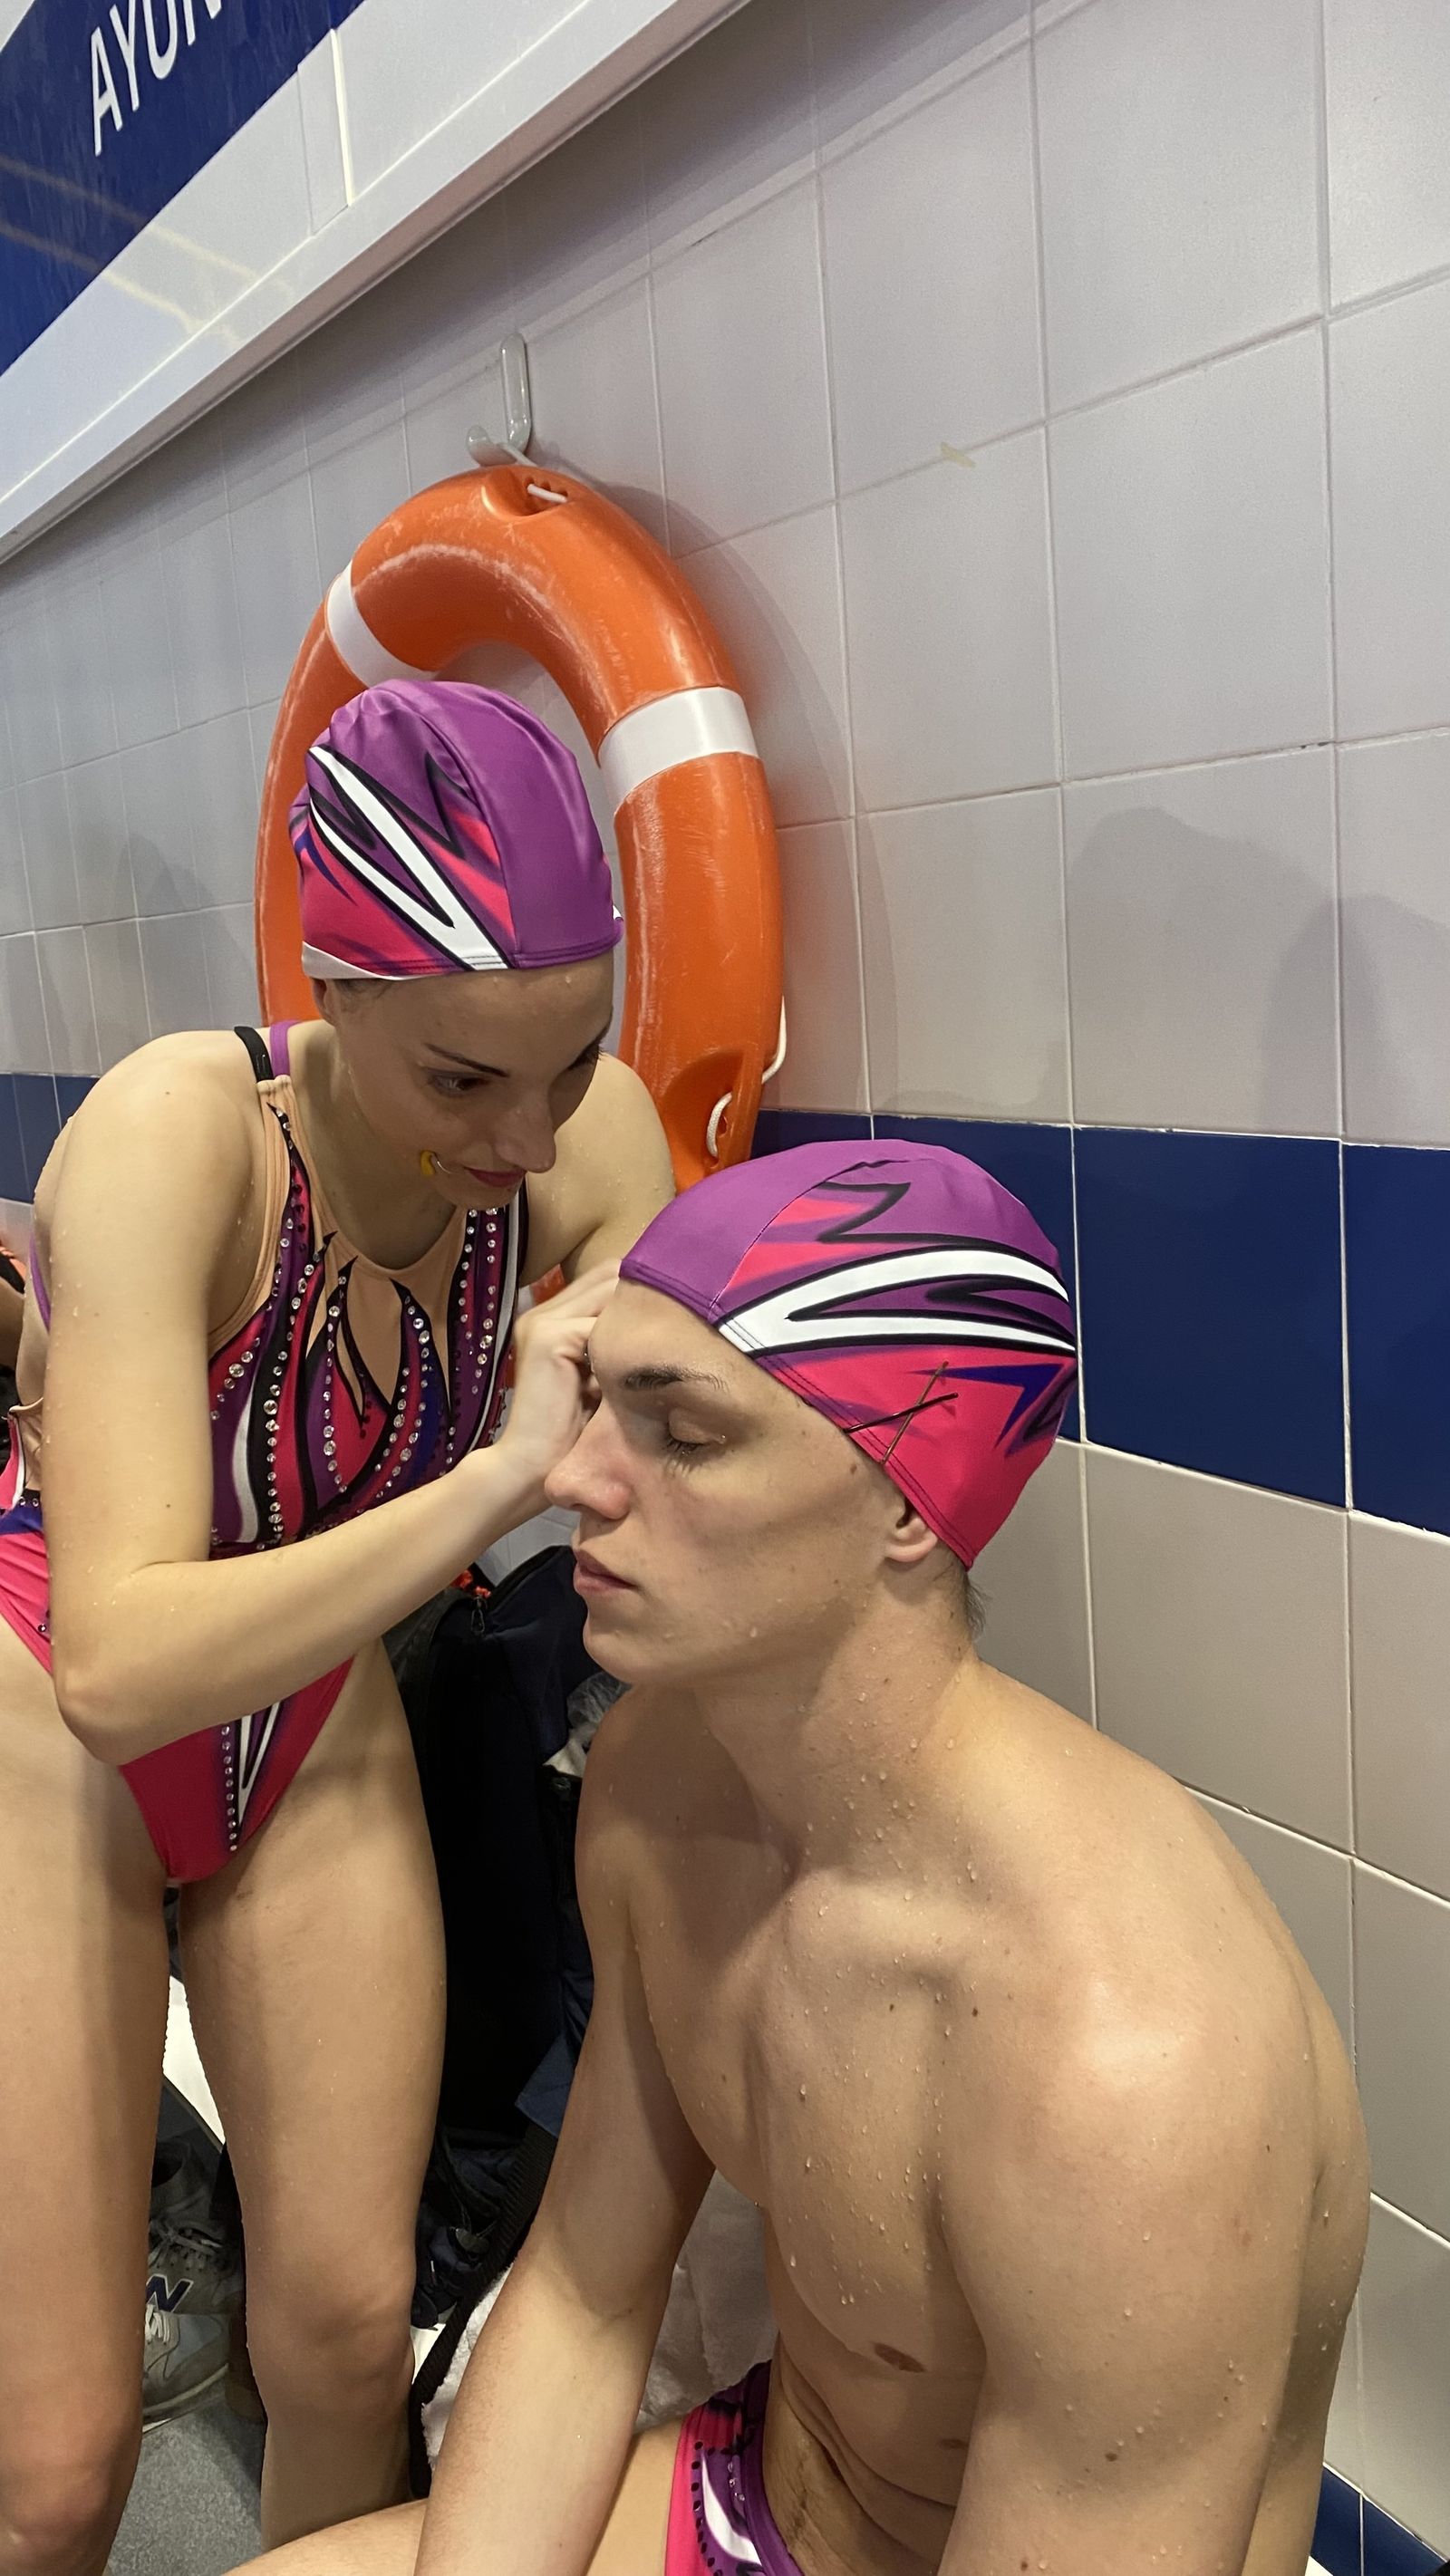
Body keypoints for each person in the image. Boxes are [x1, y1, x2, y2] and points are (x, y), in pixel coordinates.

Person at [240, 1137, 1370, 2576]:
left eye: (684, 1435)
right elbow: (588, 2299)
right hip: (758, 2501)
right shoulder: (656, 1780)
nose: (573, 1479)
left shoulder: (1122, 2063)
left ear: (908, 1504)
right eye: (599, 1404)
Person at [0, 680, 673, 2574]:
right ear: (328, 984)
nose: (524, 1139)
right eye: (462, 1079)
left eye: (566, 1065)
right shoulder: (175, 1140)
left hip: (307, 1712)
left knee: (342, 2339)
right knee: (55, 2468)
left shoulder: (585, 1141)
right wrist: (487, 1486)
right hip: (53, 1704)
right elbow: (125, 1655)